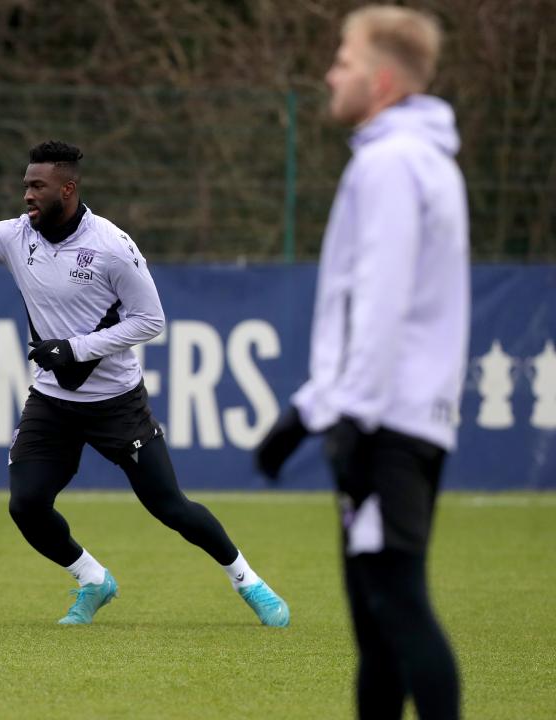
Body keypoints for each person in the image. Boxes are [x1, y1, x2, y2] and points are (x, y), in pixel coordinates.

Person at [0, 140, 289, 627]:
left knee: (170, 507)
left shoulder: (111, 246)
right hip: (52, 403)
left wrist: (75, 349)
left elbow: (150, 320)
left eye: (37, 186)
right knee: (26, 505)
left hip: (117, 404)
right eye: (26, 184)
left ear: (67, 189)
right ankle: (93, 581)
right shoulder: (14, 237)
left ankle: (250, 583)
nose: (26, 194)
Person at [255, 6, 467, 719]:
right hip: (403, 418)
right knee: (376, 629)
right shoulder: (420, 158)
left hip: (386, 426)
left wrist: (347, 419)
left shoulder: (390, 163)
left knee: (398, 605)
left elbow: (378, 301)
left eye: (342, 61)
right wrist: (309, 410)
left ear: (379, 79)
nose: (328, 73)